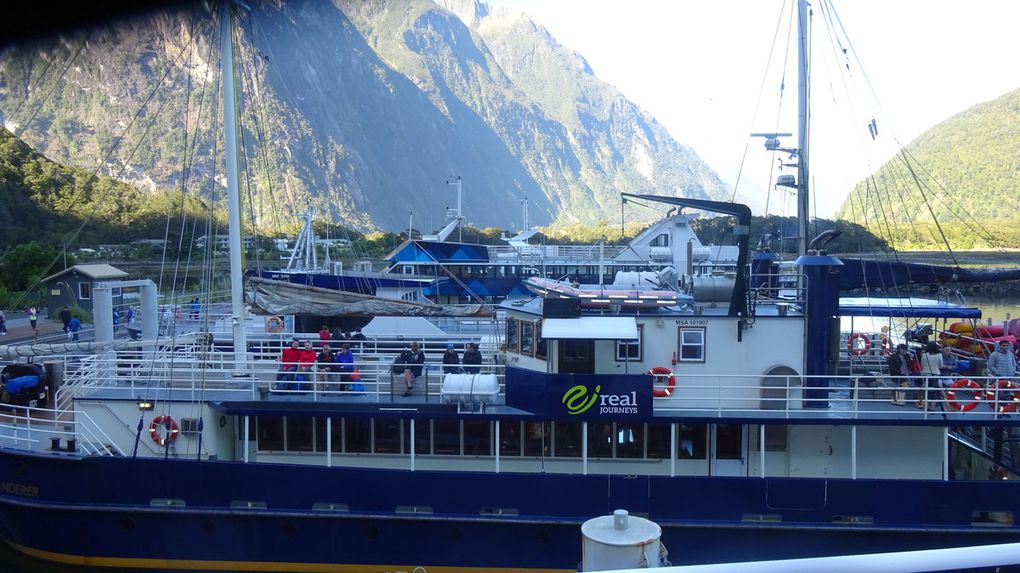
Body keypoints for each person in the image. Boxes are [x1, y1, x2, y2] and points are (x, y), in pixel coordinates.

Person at [919, 342, 943, 410]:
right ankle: (932, 407)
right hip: (935, 374)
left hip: (925, 374)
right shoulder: (939, 355)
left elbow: (922, 365)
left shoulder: (924, 355)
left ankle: (925, 406)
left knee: (926, 390)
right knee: (933, 391)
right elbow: (941, 366)